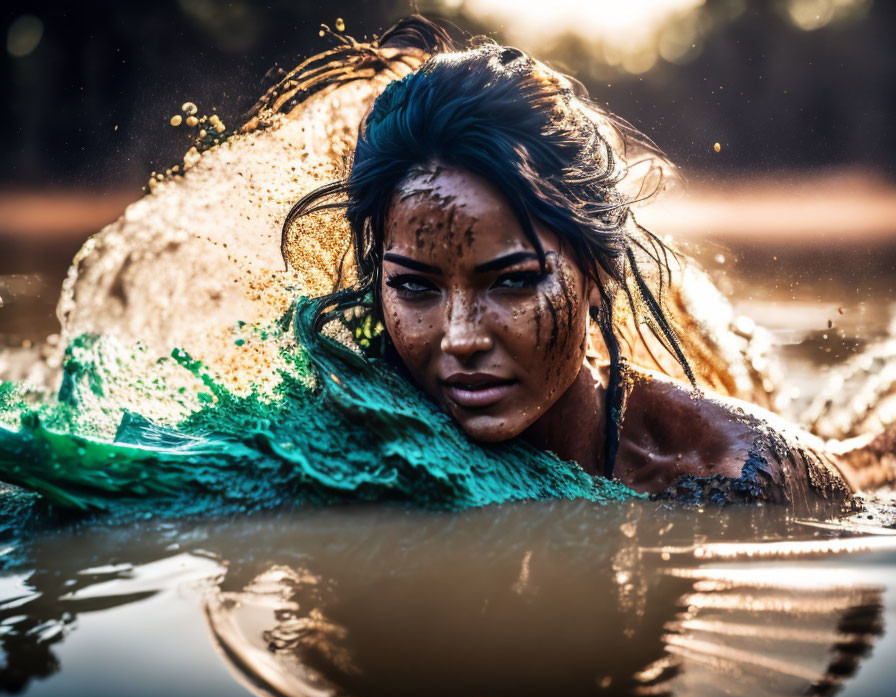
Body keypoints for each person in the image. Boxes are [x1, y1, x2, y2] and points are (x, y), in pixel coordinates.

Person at [286, 20, 864, 510]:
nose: (459, 338)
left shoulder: (737, 479)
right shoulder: (341, 432)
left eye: (511, 281)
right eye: (415, 287)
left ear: (597, 269)